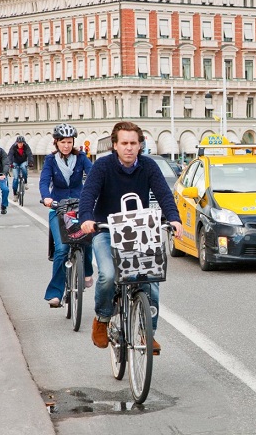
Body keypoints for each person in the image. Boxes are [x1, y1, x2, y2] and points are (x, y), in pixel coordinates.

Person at [79, 121, 183, 353]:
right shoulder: (103, 166)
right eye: (124, 143)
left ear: (140, 146)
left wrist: (174, 218)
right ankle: (103, 320)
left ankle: (147, 333)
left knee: (151, 281)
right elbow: (88, 194)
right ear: (114, 145)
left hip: (139, 231)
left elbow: (164, 194)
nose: (129, 148)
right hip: (106, 229)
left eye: (133, 143)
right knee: (107, 274)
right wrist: (86, 218)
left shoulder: (148, 167)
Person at [39, 123, 94, 307]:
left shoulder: (81, 158)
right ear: (56, 142)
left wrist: (96, 193)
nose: (66, 145)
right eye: (63, 142)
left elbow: (93, 175)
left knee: (86, 239)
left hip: (80, 206)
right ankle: (55, 293)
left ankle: (86, 271)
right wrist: (46, 197)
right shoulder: (50, 160)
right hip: (59, 208)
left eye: (69, 142)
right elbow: (44, 181)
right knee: (62, 249)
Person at [8, 135, 35, 202]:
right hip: (15, 162)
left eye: (21, 143)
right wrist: (10, 163)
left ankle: (25, 182)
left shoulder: (26, 147)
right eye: (19, 143)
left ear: (23, 143)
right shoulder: (13, 147)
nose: (20, 144)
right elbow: (10, 155)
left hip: (23, 161)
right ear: (16, 142)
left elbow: (29, 154)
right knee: (15, 178)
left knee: (23, 167)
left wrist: (31, 162)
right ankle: (15, 194)